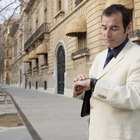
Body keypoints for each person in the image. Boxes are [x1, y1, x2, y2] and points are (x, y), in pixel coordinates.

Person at [73, 4, 140, 140]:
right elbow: (95, 93)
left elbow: (135, 97)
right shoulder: (100, 57)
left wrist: (93, 83)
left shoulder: (137, 55)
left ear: (128, 28)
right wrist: (81, 89)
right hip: (96, 133)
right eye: (104, 28)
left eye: (114, 28)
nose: (107, 34)